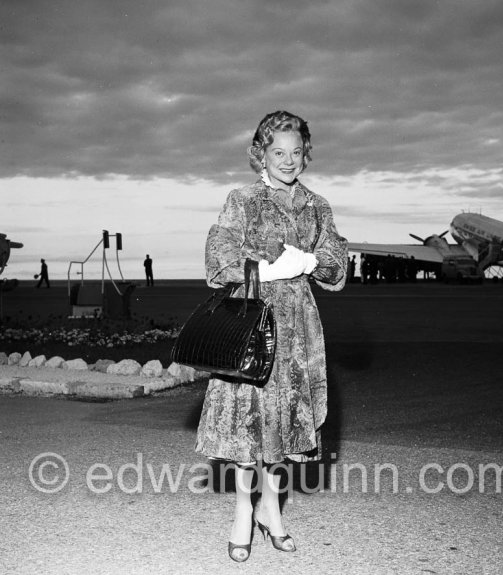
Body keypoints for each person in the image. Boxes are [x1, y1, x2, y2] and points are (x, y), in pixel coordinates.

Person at [195, 110, 348, 562]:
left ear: (306, 154)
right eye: (278, 152)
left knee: (283, 427)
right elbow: (217, 257)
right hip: (250, 322)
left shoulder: (317, 205)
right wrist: (263, 269)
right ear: (260, 153)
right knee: (249, 428)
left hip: (298, 330)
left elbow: (336, 260)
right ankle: (243, 510)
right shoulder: (242, 199)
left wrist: (314, 263)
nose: (288, 160)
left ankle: (271, 509)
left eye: (296, 151)